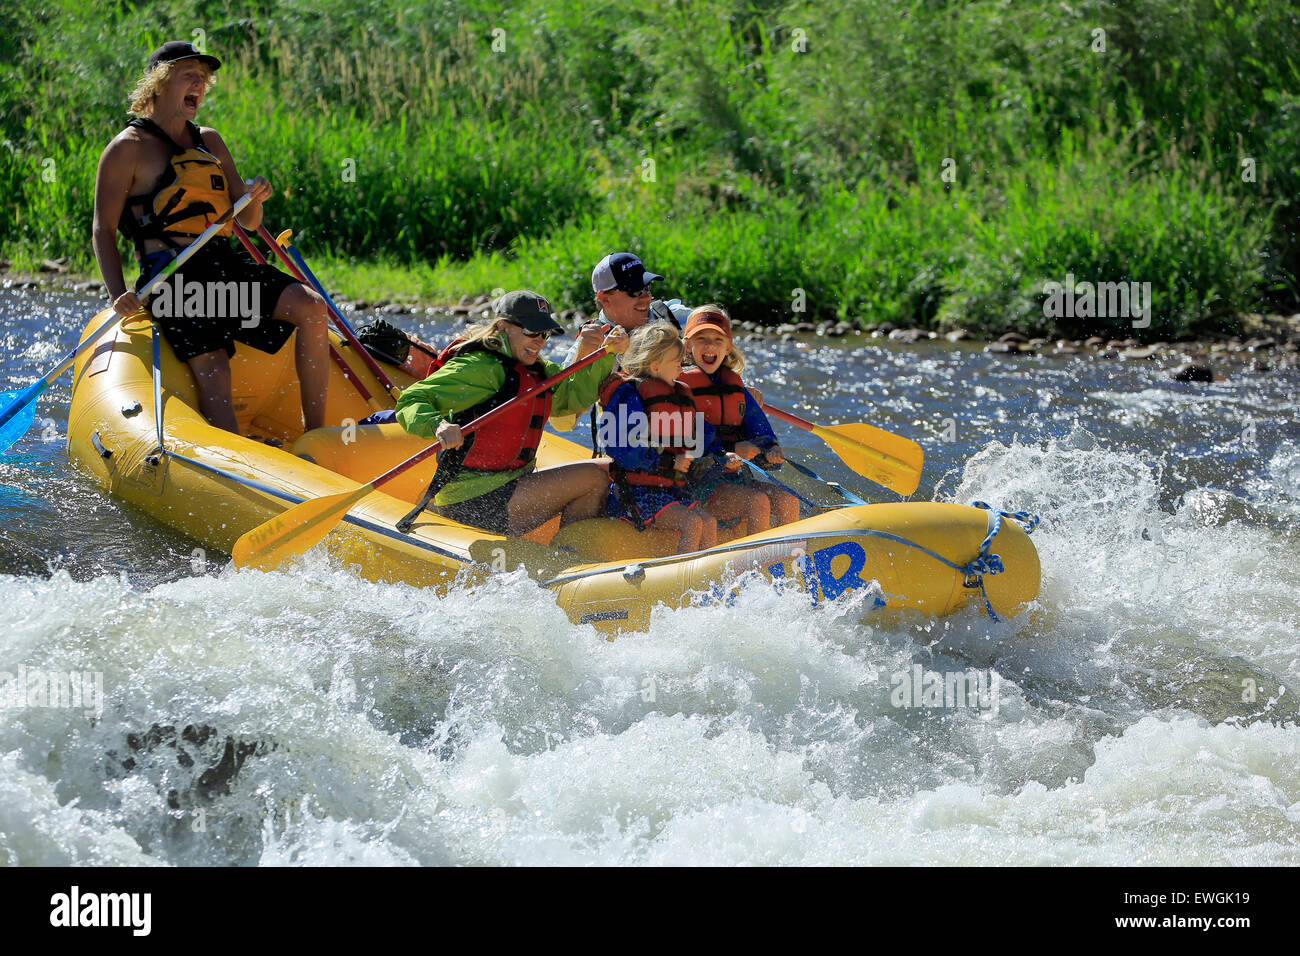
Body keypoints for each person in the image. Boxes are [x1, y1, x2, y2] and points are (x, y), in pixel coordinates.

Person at [92, 41, 330, 435]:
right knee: (215, 366)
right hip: (171, 277)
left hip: (223, 267)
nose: (200, 86)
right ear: (159, 83)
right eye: (190, 76)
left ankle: (320, 437)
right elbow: (103, 229)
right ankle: (234, 459)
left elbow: (250, 222)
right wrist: (117, 293)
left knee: (312, 306)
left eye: (203, 79)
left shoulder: (209, 140)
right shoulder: (125, 150)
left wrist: (255, 198)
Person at [393, 291, 628, 536]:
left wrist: (605, 353)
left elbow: (571, 398)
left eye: (544, 333)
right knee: (593, 479)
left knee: (606, 469)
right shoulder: (479, 367)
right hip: (472, 500)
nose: (539, 341)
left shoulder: (538, 370)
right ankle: (569, 556)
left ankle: (572, 553)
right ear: (503, 327)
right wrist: (437, 425)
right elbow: (412, 399)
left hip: (506, 487)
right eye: (531, 331)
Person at [598, 324, 731, 554]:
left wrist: (723, 454)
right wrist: (668, 462)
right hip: (637, 495)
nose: (683, 367)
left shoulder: (679, 395)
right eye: (677, 362)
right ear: (655, 365)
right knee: (692, 523)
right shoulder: (630, 394)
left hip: (671, 490)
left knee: (708, 523)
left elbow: (703, 436)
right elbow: (621, 447)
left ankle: (710, 582)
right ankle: (685, 584)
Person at [679, 305, 800, 535]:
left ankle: (795, 565)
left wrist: (770, 450)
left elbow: (760, 432)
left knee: (788, 501)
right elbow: (686, 441)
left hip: (736, 479)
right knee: (758, 502)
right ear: (687, 345)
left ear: (728, 348)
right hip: (695, 486)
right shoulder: (678, 389)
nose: (710, 345)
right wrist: (727, 453)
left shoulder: (737, 389)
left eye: (718, 339)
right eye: (701, 338)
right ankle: (756, 569)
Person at [554, 251, 690, 439]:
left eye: (647, 288)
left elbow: (726, 348)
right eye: (634, 291)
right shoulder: (588, 342)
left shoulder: (677, 319)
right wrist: (582, 358)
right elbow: (561, 424)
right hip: (630, 453)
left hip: (687, 445)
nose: (645, 298)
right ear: (605, 300)